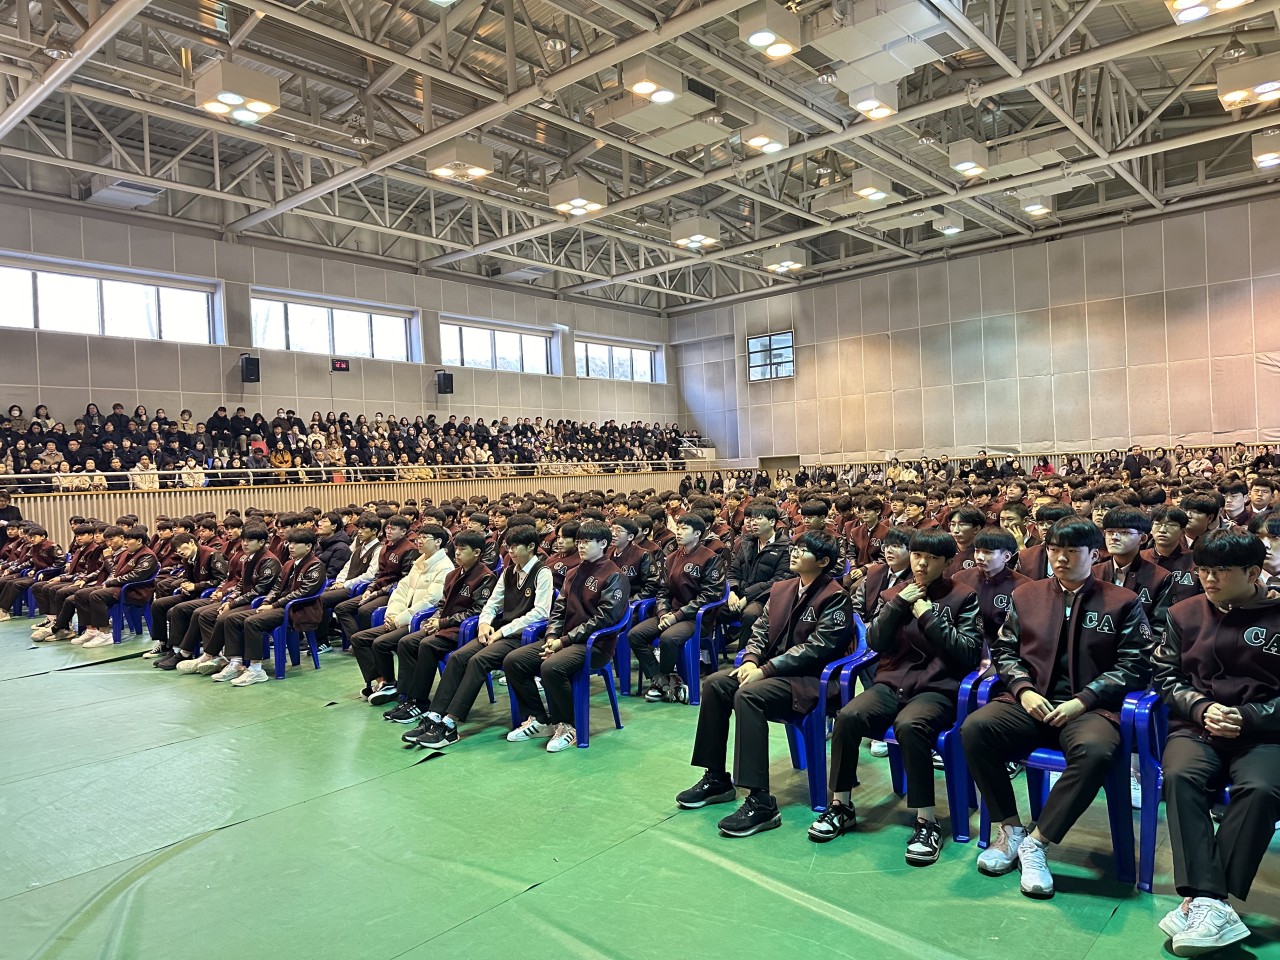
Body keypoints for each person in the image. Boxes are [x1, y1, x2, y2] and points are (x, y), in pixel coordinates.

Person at [962, 517, 1152, 899]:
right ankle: (1011, 829)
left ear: (1094, 555)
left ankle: (1038, 842)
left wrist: (1086, 699)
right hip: (1032, 703)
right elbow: (1005, 650)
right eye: (1054, 550)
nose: (1060, 558)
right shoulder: (1027, 596)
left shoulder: (1122, 602)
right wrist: (1023, 690)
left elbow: (1136, 664)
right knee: (975, 729)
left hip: (1090, 709)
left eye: (1071, 551)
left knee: (1096, 751)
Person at [816, 530, 982, 862]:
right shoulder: (895, 593)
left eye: (932, 558)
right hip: (891, 684)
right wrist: (898, 604)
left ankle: (926, 821)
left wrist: (927, 615)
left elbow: (968, 652)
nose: (922, 564)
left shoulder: (964, 597)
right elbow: (875, 642)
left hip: (938, 688)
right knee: (848, 717)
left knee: (910, 725)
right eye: (918, 555)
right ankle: (841, 805)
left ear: (948, 562)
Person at [1151, 530, 1280, 956]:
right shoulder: (1184, 613)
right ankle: (1213, 903)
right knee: (1180, 776)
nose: (1209, 578)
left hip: (1265, 734)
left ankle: (1204, 901)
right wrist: (1202, 708)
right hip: (1197, 727)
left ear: (1253, 573)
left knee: (1260, 789)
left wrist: (1249, 716)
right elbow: (1166, 677)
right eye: (1203, 569)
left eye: (1221, 571)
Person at [675, 532, 852, 837]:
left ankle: (761, 801)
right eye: (795, 548)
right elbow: (759, 630)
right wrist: (750, 660)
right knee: (716, 685)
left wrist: (765, 670)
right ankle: (716, 778)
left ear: (823, 561)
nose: (794, 553)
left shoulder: (835, 597)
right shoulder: (782, 589)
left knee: (748, 695)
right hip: (771, 673)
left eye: (804, 551)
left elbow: (816, 649)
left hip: (809, 681)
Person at [407, 526, 552, 746]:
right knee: (458, 657)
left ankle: (450, 724)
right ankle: (435, 715)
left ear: (531, 546)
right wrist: (484, 624)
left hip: (523, 636)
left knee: (478, 660)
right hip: (499, 632)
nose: (510, 551)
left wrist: (503, 631)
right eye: (509, 547)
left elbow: (541, 612)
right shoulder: (508, 572)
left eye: (516, 547)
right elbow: (492, 604)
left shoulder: (542, 572)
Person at [502, 520, 630, 752]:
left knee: (551, 667)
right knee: (514, 661)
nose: (581, 546)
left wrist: (564, 641)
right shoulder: (573, 573)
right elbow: (559, 610)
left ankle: (568, 725)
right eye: (579, 541)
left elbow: (604, 619)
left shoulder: (614, 576)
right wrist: (552, 636)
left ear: (603, 543)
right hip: (564, 641)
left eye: (587, 542)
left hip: (594, 645)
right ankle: (540, 719)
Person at [391, 531, 496, 728]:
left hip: (462, 630)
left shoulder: (485, 577)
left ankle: (421, 702)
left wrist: (443, 622)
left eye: (462, 549)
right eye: (456, 548)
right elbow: (442, 604)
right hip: (444, 625)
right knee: (406, 642)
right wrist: (435, 619)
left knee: (427, 645)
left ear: (476, 552)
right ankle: (407, 698)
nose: (457, 553)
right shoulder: (452, 574)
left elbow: (477, 612)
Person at [627, 514, 726, 703]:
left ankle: (662, 681)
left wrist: (677, 616)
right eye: (678, 528)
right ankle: (662, 680)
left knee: (668, 638)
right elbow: (663, 591)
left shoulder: (711, 559)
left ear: (697, 533)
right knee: (635, 635)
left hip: (695, 618)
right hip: (671, 614)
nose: (678, 533)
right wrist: (663, 613)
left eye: (684, 529)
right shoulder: (671, 558)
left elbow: (709, 596)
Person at [350, 525, 454, 705]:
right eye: (419, 537)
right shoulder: (419, 562)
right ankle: (384, 681)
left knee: (381, 643)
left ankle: (392, 685)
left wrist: (399, 620)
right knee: (359, 639)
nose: (419, 541)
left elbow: (431, 602)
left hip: (419, 621)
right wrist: (392, 614)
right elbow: (401, 590)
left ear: (438, 542)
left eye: (425, 538)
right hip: (403, 618)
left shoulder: (444, 567)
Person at [222, 528, 328, 687]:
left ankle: (256, 669)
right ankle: (236, 663)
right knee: (232, 618)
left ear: (308, 546)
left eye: (296, 543)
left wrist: (273, 605)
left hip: (298, 611)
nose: (291, 546)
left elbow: (302, 593)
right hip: (280, 607)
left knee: (252, 622)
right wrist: (266, 603)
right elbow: (276, 588)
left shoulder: (316, 565)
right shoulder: (289, 564)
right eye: (290, 543)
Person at [174, 526, 280, 676]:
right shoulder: (248, 558)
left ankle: (234, 662)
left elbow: (259, 591)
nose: (245, 544)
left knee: (227, 618)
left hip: (257, 602)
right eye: (243, 540)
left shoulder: (269, 561)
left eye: (250, 540)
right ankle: (213, 656)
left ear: (262, 542)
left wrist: (232, 603)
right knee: (205, 615)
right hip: (244, 600)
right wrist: (229, 599)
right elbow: (240, 585)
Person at [72, 526, 159, 648]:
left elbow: (135, 576)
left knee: (96, 596)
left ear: (139, 541)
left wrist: (111, 582)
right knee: (81, 594)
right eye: (125, 540)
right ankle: (91, 630)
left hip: (134, 591)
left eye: (128, 540)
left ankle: (105, 634)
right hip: (119, 587)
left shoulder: (147, 556)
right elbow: (115, 571)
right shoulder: (127, 553)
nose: (125, 543)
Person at [150, 534, 228, 667]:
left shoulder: (212, 555)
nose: (179, 551)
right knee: (158, 604)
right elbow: (186, 577)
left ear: (192, 542)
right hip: (193, 594)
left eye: (181, 547)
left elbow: (221, 580)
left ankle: (178, 650)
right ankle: (164, 643)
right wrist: (185, 584)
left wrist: (196, 586)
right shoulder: (187, 558)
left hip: (208, 595)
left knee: (177, 610)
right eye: (176, 550)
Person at [720, 503, 792, 647]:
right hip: (740, 594)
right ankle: (706, 654)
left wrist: (747, 597)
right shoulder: (747, 543)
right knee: (712, 609)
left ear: (772, 521)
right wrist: (732, 592)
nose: (753, 523)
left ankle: (745, 656)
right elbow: (733, 571)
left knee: (750, 615)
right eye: (751, 519)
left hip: (765, 598)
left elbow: (778, 581)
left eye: (758, 519)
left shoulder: (785, 547)